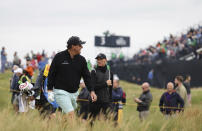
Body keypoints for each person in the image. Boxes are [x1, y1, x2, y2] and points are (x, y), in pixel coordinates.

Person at [47, 36, 97, 119]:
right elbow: (52, 74)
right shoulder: (59, 57)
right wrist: (49, 90)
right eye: (80, 45)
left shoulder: (82, 60)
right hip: (60, 92)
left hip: (74, 93)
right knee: (71, 115)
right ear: (73, 46)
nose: (82, 47)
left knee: (65, 118)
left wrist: (91, 91)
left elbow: (87, 77)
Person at [89, 53, 113, 120]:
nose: (98, 61)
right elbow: (92, 87)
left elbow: (110, 89)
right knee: (91, 122)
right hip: (95, 102)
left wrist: (110, 101)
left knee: (109, 121)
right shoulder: (94, 72)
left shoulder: (110, 73)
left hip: (106, 102)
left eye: (100, 59)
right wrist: (105, 84)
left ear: (105, 60)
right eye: (97, 59)